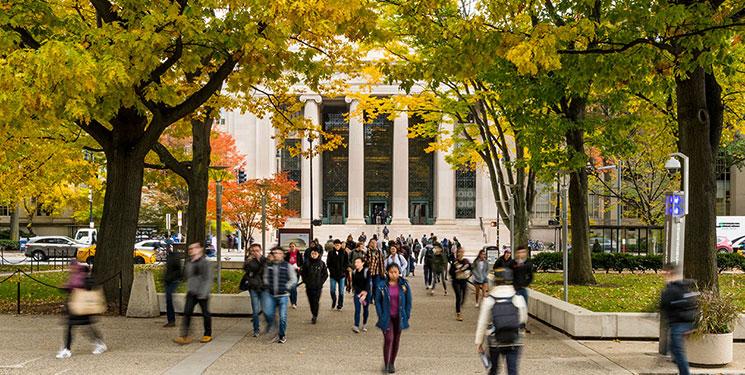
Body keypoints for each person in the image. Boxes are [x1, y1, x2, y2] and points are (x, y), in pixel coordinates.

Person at [475, 267, 527, 375]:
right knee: (512, 370)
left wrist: (479, 342)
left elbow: (482, 322)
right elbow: (523, 318)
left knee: (494, 369)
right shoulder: (517, 298)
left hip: (495, 340)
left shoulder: (489, 299)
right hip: (514, 339)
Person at [56, 262, 107, 359]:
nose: (71, 269)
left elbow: (89, 288)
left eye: (72, 267)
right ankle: (67, 349)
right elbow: (70, 289)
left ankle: (98, 343)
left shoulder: (84, 278)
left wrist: (77, 288)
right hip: (75, 308)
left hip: (83, 307)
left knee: (85, 328)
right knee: (74, 327)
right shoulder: (74, 278)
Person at [660, 263, 699, 375]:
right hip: (684, 323)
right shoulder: (683, 286)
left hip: (678, 324)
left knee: (678, 352)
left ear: (669, 272)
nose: (663, 274)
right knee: (674, 349)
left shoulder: (672, 289)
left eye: (665, 272)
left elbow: (665, 305)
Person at [374, 263, 412, 374]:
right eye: (391, 272)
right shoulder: (382, 285)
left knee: (396, 340)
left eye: (396, 272)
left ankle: (392, 363)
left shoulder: (404, 285)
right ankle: (386, 364)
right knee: (389, 339)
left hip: (400, 316)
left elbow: (409, 301)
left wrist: (407, 314)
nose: (393, 274)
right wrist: (380, 315)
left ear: (399, 272)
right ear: (387, 273)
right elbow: (377, 301)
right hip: (387, 317)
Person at [175, 242, 213, 345]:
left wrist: (204, 292)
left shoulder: (205, 263)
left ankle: (207, 334)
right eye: (190, 249)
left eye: (194, 248)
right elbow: (188, 276)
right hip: (192, 291)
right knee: (187, 312)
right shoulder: (189, 263)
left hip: (202, 292)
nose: (192, 250)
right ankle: (184, 335)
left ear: (200, 249)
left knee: (205, 313)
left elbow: (208, 279)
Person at [262, 246, 298, 344]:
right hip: (271, 294)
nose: (276, 255)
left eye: (278, 253)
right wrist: (267, 285)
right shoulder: (268, 266)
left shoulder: (287, 266)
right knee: (268, 313)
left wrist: (286, 286)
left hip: (283, 295)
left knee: (283, 316)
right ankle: (273, 328)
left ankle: (282, 335)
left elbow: (293, 279)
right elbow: (265, 277)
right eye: (274, 253)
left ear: (282, 255)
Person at [243, 243, 267, 337]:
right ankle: (256, 329)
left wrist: (259, 259)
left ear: (260, 251)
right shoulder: (249, 261)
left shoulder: (264, 260)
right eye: (253, 251)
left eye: (257, 250)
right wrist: (247, 262)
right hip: (253, 287)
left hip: (263, 287)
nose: (255, 252)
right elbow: (246, 271)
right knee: (255, 309)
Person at [302, 247, 328, 324]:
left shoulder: (321, 263)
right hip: (309, 286)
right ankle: (313, 312)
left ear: (318, 254)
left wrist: (321, 282)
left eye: (315, 254)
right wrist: (306, 281)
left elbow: (325, 274)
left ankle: (315, 315)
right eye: (312, 253)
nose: (314, 255)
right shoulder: (306, 263)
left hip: (318, 286)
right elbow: (303, 274)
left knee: (316, 301)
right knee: (311, 301)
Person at [511, 246, 533, 333]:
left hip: (523, 289)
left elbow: (530, 275)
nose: (521, 254)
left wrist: (526, 283)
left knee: (524, 307)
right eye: (519, 252)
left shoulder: (528, 263)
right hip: (514, 289)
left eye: (523, 252)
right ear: (516, 253)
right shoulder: (513, 263)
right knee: (515, 307)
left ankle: (522, 326)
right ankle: (514, 325)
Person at [326, 239, 350, 311]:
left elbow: (346, 263)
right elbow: (328, 263)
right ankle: (334, 300)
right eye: (336, 245)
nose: (337, 246)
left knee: (341, 292)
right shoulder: (330, 253)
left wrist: (343, 270)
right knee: (332, 290)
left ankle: (340, 305)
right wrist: (331, 270)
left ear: (340, 245)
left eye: (338, 245)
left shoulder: (344, 253)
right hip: (333, 275)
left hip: (341, 275)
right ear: (334, 245)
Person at [163, 243, 183, 328]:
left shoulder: (175, 257)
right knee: (168, 299)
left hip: (173, 280)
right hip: (169, 280)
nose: (166, 249)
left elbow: (177, 270)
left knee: (169, 299)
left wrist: (170, 277)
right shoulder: (169, 257)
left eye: (168, 247)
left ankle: (172, 320)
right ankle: (171, 320)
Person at [351, 257, 372, 333]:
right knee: (357, 310)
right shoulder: (354, 272)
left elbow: (368, 282)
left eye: (358, 262)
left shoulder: (367, 271)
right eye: (355, 262)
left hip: (366, 293)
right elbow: (354, 284)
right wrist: (360, 293)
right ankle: (356, 325)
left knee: (365, 309)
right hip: (357, 293)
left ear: (362, 263)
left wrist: (365, 293)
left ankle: (364, 324)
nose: (356, 264)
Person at [451, 247, 472, 321]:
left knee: (464, 296)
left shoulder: (466, 261)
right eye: (460, 252)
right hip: (456, 281)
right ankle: (458, 313)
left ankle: (460, 305)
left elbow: (470, 268)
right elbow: (451, 272)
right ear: (457, 253)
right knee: (458, 296)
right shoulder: (455, 262)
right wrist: (456, 272)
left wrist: (468, 275)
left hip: (464, 281)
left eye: (462, 252)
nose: (461, 253)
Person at [284, 242, 303, 309]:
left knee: (294, 287)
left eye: (293, 246)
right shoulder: (287, 254)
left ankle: (294, 303)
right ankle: (292, 302)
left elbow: (302, 263)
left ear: (295, 247)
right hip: (289, 272)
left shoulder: (299, 254)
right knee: (290, 288)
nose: (292, 247)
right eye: (291, 246)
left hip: (296, 272)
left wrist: (299, 267)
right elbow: (285, 262)